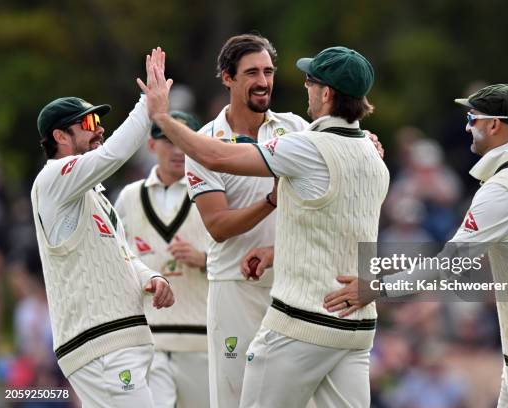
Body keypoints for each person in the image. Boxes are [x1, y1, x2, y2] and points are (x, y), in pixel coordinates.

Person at [141, 44, 389, 407]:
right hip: (352, 323)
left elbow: (212, 154)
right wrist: (275, 252)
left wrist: (162, 118)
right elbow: (329, 224)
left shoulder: (303, 140)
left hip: (299, 316)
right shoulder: (371, 156)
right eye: (253, 72)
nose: (268, 81)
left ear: (327, 93)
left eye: (309, 81)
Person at [324, 84, 508, 407]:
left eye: (472, 118)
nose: (467, 126)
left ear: (494, 124)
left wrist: (375, 288)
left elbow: (449, 265)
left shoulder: (501, 190)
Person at [30, 48, 174, 407]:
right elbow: (113, 155)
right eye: (90, 124)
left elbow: (122, 256)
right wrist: (148, 104)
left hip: (122, 341)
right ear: (60, 137)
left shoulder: (92, 194)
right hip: (101, 344)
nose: (100, 131)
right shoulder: (53, 179)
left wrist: (149, 278)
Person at [113, 111, 210, 408]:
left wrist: (204, 259)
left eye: (183, 140)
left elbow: (240, 259)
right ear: (151, 146)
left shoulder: (211, 194)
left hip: (202, 341)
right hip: (148, 341)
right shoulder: (129, 197)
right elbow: (115, 260)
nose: (178, 150)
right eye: (167, 140)